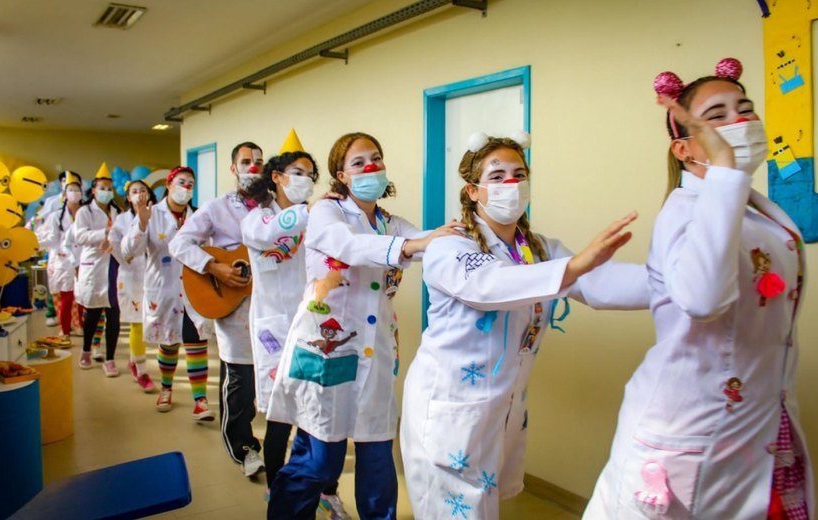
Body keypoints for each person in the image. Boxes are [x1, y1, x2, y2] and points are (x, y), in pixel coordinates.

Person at [584, 58, 813, 519]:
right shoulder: (685, 211)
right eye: (718, 116)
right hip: (690, 431)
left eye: (745, 107)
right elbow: (703, 299)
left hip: (757, 426)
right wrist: (726, 169)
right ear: (684, 150)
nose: (741, 121)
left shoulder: (757, 211)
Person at [399, 131, 648, 519]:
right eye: (497, 177)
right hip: (450, 407)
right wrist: (578, 264)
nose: (510, 184)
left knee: (484, 507)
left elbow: (599, 282)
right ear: (472, 191)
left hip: (500, 409)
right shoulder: (450, 246)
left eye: (519, 174)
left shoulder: (539, 250)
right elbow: (489, 284)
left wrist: (677, 285)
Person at [266, 132, 462, 519]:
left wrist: (463, 234)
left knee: (377, 458)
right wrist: (411, 246)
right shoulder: (327, 211)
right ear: (342, 174)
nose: (370, 166)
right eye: (359, 163)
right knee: (320, 460)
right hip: (328, 347)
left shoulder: (389, 221)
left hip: (376, 349)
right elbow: (348, 245)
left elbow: (427, 240)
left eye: (375, 158)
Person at [240, 135, 348, 517]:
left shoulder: (317, 217)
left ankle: (326, 488)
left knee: (318, 408)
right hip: (273, 329)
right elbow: (272, 232)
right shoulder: (258, 219)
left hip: (313, 323)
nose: (305, 179)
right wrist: (316, 210)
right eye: (297, 172)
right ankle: (276, 490)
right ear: (276, 177)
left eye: (311, 174)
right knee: (280, 416)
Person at [170, 143, 265, 476]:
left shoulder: (278, 207)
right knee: (239, 383)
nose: (253, 167)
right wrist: (213, 267)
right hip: (232, 302)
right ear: (233, 168)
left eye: (258, 162)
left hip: (270, 305)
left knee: (270, 378)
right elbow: (179, 243)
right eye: (245, 162)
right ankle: (244, 449)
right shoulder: (216, 208)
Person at [123, 167, 213, 420]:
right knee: (169, 341)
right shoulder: (152, 214)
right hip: (164, 289)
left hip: (194, 289)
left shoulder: (198, 216)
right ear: (169, 184)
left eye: (191, 184)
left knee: (196, 343)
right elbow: (129, 250)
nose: (186, 187)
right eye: (181, 182)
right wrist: (141, 222)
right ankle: (166, 388)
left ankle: (200, 400)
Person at [73, 169, 122, 375]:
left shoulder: (117, 212)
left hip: (114, 266)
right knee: (92, 313)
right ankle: (86, 350)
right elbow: (80, 237)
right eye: (102, 188)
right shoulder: (85, 212)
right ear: (93, 190)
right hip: (94, 266)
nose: (106, 192)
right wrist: (104, 233)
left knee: (114, 315)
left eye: (109, 189)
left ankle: (110, 359)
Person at [110, 180, 157, 393]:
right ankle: (142, 370)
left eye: (143, 191)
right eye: (134, 192)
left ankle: (132, 360)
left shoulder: (157, 215)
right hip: (131, 276)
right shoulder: (121, 220)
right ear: (128, 197)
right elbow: (116, 246)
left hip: (154, 276)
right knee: (137, 323)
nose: (139, 195)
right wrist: (126, 257)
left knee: (149, 323)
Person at [37, 178, 83, 338]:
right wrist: (34, 243)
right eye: (71, 189)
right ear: (64, 194)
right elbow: (51, 238)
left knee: (82, 297)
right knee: (66, 297)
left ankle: (80, 326)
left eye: (77, 189)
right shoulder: (56, 216)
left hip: (84, 260)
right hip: (63, 262)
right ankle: (64, 331)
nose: (74, 193)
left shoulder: (86, 213)